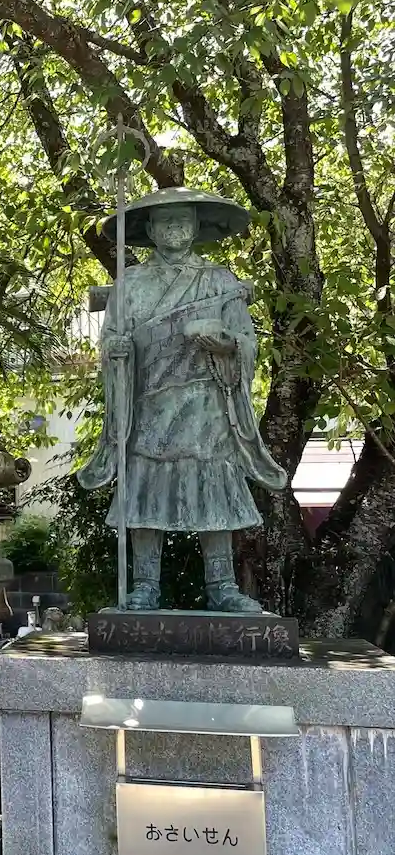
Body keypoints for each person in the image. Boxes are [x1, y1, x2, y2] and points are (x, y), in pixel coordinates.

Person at [79, 186, 287, 612]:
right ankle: (145, 584)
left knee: (214, 491)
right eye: (165, 221)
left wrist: (227, 343)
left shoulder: (220, 281)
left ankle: (222, 585)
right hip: (150, 405)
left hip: (206, 405)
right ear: (151, 230)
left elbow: (246, 341)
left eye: (183, 220)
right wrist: (116, 351)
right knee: (146, 491)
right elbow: (111, 340)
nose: (174, 227)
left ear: (195, 227)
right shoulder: (130, 283)